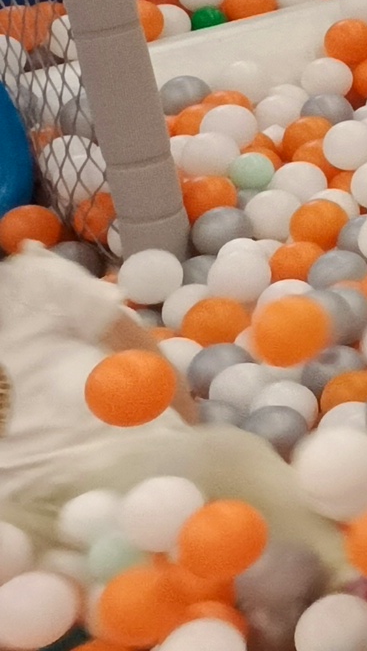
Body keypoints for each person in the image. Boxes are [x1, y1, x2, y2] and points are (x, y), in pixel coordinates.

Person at [0, 250, 343, 608]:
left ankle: (343, 579)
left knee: (228, 452)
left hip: (139, 462)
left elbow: (144, 354)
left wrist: (190, 438)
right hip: (32, 510)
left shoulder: (38, 280)